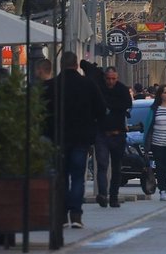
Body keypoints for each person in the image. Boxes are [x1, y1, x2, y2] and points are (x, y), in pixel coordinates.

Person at [53, 52, 106, 227]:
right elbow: (100, 110)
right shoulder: (87, 84)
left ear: (60, 64)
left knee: (60, 177)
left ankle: (61, 215)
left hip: (58, 138)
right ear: (76, 65)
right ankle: (76, 215)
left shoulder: (54, 85)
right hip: (81, 139)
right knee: (77, 177)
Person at [91, 65, 132, 209]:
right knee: (102, 165)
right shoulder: (99, 88)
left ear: (117, 78)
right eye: (108, 79)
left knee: (117, 168)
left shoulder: (121, 89)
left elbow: (127, 103)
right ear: (104, 77)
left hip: (118, 134)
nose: (110, 82)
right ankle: (103, 194)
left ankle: (113, 197)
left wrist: (110, 105)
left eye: (113, 79)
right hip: (102, 134)